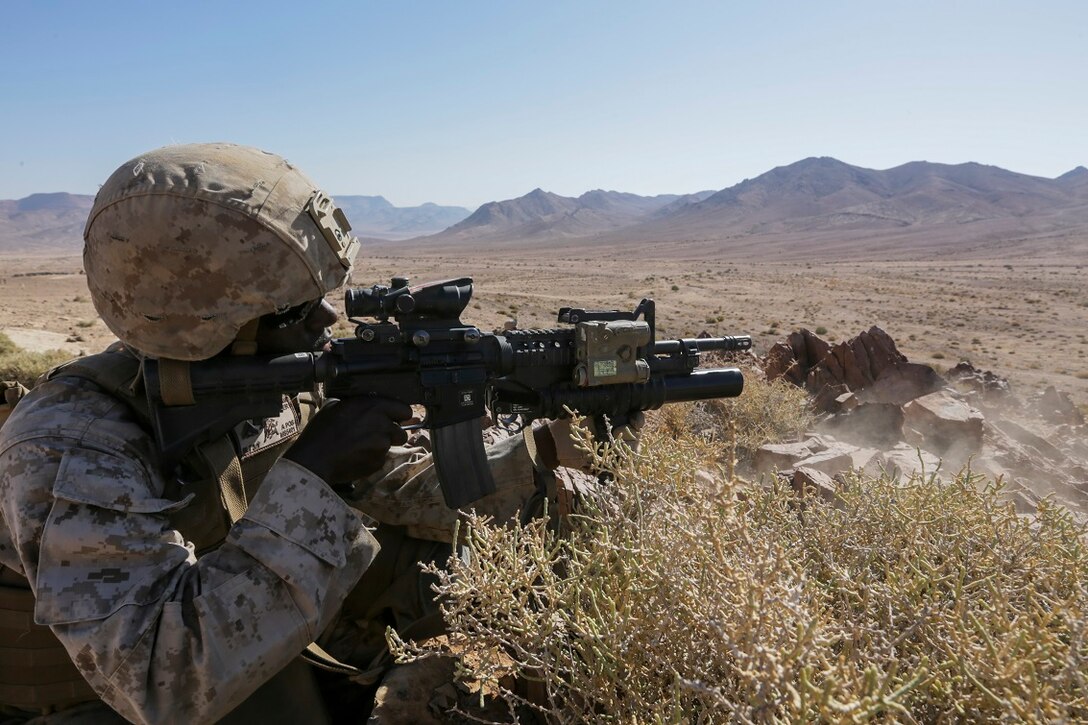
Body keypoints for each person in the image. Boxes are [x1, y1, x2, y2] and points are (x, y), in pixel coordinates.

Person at [0, 143, 590, 724]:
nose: (326, 320)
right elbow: (162, 683)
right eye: (292, 311)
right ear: (204, 326)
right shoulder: (70, 447)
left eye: (319, 297)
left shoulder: (253, 375)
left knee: (499, 563)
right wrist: (316, 473)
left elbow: (384, 486)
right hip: (107, 698)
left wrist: (544, 457)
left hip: (237, 609)